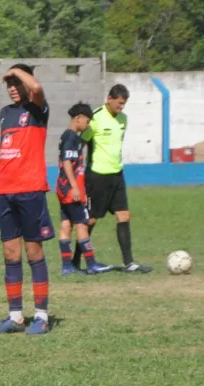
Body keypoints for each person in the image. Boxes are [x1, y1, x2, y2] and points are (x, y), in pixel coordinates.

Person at [0, 64, 54, 335]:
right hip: (5, 191)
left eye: (16, 83)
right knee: (10, 254)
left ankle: (41, 316)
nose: (13, 88)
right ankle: (15, 317)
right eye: (9, 84)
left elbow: (36, 89)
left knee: (33, 252)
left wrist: (15, 70)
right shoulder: (5, 114)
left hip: (31, 190)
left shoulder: (38, 109)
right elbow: (5, 154)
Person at [78, 84, 152, 273]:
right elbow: (81, 143)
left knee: (124, 216)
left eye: (124, 104)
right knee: (91, 220)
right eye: (119, 104)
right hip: (97, 176)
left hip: (117, 175)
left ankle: (129, 262)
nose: (121, 108)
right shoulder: (95, 118)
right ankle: (76, 260)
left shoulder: (123, 119)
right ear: (109, 99)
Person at [56, 103, 113, 276]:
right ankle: (91, 264)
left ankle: (67, 267)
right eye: (87, 121)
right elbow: (67, 161)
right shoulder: (71, 138)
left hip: (62, 188)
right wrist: (74, 187)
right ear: (78, 118)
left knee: (66, 225)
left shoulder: (68, 136)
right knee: (82, 224)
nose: (87, 125)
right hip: (71, 189)